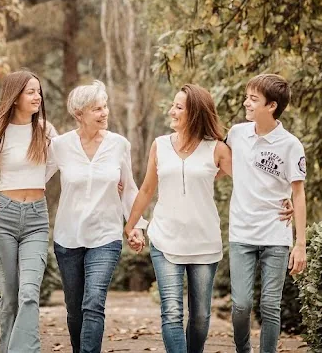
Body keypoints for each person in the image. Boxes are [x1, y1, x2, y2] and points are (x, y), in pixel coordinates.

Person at [124, 84, 231, 353]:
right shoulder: (159, 145)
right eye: (173, 105)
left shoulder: (217, 149)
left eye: (178, 107)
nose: (171, 111)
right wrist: (131, 224)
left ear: (194, 113)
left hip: (205, 242)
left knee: (200, 318)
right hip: (165, 238)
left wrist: (282, 197)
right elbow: (147, 189)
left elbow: (248, 181)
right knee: (171, 313)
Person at [46, 80, 146, 353]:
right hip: (68, 237)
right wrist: (2, 188)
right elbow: (36, 178)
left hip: (106, 235)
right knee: (75, 309)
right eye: (96, 109)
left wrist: (135, 226)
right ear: (79, 114)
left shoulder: (118, 145)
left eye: (105, 107)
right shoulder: (60, 146)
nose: (104, 113)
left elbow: (130, 188)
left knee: (93, 303)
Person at [0, 69, 56, 353]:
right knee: (9, 298)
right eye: (30, 91)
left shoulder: (45, 130)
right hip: (3, 219)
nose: (37, 96)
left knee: (30, 294)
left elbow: (57, 166)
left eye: (38, 91)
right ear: (15, 96)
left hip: (36, 218)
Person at [226, 73, 307, 353]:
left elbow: (298, 193)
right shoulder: (236, 134)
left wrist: (300, 244)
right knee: (241, 306)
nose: (246, 103)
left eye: (253, 99)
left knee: (270, 305)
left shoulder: (290, 145)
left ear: (271, 106)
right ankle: (243, 349)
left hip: (276, 234)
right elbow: (215, 161)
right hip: (241, 233)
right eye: (247, 97)